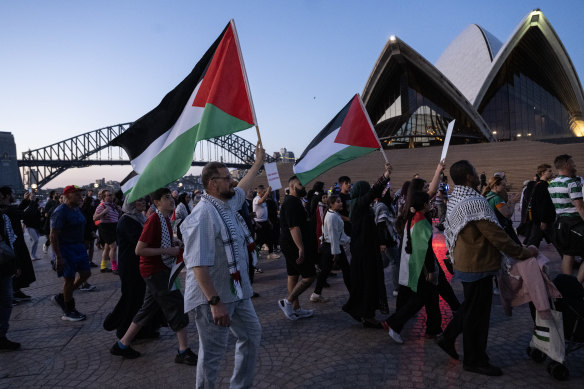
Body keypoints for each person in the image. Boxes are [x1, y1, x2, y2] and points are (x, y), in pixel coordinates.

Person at [437, 160, 538, 376]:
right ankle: (474, 360)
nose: (477, 174)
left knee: (471, 308)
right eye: (474, 171)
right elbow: (496, 235)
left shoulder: (456, 197)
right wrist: (523, 252)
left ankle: (448, 337)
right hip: (478, 264)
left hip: (466, 262)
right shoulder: (474, 201)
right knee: (478, 316)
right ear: (469, 177)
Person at [181, 145, 264, 388]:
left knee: (251, 335)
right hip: (214, 298)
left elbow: (243, 188)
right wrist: (214, 303)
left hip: (237, 291)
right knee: (212, 356)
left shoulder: (227, 205)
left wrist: (257, 162)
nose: (232, 181)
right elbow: (197, 264)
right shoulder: (203, 214)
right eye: (227, 178)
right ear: (212, 184)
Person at [110, 188, 197, 365]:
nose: (171, 201)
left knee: (147, 308)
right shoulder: (154, 220)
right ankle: (183, 350)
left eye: (170, 197)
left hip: (159, 269)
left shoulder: (164, 219)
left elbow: (159, 241)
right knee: (176, 305)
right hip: (156, 271)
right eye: (166, 198)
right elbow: (139, 249)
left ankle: (122, 344)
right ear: (157, 202)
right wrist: (167, 250)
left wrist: (173, 242)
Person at [383, 191, 442, 343]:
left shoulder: (413, 217)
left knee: (426, 297)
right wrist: (430, 269)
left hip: (414, 263)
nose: (431, 204)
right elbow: (425, 248)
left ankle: (433, 329)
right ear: (424, 205)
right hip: (420, 266)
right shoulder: (421, 221)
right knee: (419, 299)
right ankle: (394, 324)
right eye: (429, 202)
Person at [342, 164, 391, 328]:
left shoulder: (359, 206)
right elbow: (372, 193)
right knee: (368, 283)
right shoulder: (358, 205)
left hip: (366, 250)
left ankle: (365, 312)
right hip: (365, 253)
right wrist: (384, 176)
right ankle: (365, 314)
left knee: (367, 283)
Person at [104, 197, 160, 339]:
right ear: (130, 203)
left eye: (144, 200)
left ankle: (143, 330)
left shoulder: (138, 218)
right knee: (131, 299)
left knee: (140, 299)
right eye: (139, 201)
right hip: (130, 266)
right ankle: (123, 330)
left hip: (137, 265)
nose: (144, 203)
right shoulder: (127, 221)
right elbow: (140, 242)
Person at [50, 185, 93, 321]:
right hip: (65, 248)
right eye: (77, 194)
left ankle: (62, 297)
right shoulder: (60, 211)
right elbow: (53, 235)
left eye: (81, 194)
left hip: (78, 247)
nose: (81, 197)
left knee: (86, 274)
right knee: (69, 279)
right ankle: (69, 310)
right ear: (67, 196)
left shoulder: (76, 209)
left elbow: (81, 225)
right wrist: (58, 256)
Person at [278, 175, 317, 320]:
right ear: (293, 187)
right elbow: (294, 227)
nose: (304, 188)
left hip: (289, 244)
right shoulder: (292, 203)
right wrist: (301, 247)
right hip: (294, 245)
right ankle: (287, 302)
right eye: (301, 185)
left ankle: (296, 308)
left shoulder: (292, 201)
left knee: (293, 275)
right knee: (309, 276)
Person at [548, 154, 584, 283]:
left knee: (568, 255)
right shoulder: (572, 183)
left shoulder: (552, 183)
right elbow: (580, 207)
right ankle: (577, 285)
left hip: (561, 223)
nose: (575, 166)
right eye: (573, 163)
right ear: (566, 165)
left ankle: (568, 286)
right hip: (575, 223)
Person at [311, 195, 350, 302]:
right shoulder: (332, 216)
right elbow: (333, 236)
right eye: (338, 202)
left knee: (325, 271)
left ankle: (316, 294)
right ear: (331, 204)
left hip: (330, 246)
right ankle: (354, 292)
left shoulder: (332, 213)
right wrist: (336, 252)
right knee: (346, 270)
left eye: (340, 201)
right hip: (332, 246)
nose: (341, 203)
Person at [0, 187, 37, 303]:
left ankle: (15, 291)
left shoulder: (6, 208)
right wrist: (32, 202)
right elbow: (25, 215)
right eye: (13, 193)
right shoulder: (7, 210)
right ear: (6, 196)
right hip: (13, 244)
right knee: (16, 268)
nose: (14, 195)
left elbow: (17, 211)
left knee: (22, 267)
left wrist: (26, 201)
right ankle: (11, 294)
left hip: (16, 242)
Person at [0, 197, 20, 351]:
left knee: (7, 300)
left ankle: (2, 336)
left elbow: (10, 241)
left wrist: (15, 264)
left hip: (4, 264)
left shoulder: (4, 217)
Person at [523, 164, 556, 248]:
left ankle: (569, 259)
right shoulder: (543, 186)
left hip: (539, 219)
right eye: (549, 171)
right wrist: (543, 221)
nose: (552, 172)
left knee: (535, 241)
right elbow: (542, 205)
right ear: (543, 173)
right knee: (534, 241)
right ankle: (528, 259)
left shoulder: (536, 184)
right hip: (543, 220)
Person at [482, 176, 521, 244]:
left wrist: (509, 202)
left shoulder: (487, 195)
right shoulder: (496, 198)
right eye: (503, 185)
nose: (504, 187)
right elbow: (507, 214)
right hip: (501, 228)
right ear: (495, 185)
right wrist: (513, 203)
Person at [93, 190, 121, 274]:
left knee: (107, 247)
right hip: (106, 228)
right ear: (104, 197)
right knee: (114, 247)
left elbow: (115, 216)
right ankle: (114, 268)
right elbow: (94, 218)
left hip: (113, 227)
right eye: (108, 195)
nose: (111, 196)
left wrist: (119, 210)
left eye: (111, 195)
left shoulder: (112, 205)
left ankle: (103, 266)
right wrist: (103, 212)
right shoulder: (101, 206)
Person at [253, 185, 279, 260]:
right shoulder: (256, 199)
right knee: (260, 240)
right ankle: (255, 254)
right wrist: (268, 191)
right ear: (259, 192)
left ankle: (270, 254)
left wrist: (269, 221)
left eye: (265, 192)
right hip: (259, 223)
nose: (265, 193)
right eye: (263, 192)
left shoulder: (264, 200)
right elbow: (261, 201)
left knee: (270, 238)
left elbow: (264, 212)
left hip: (265, 222)